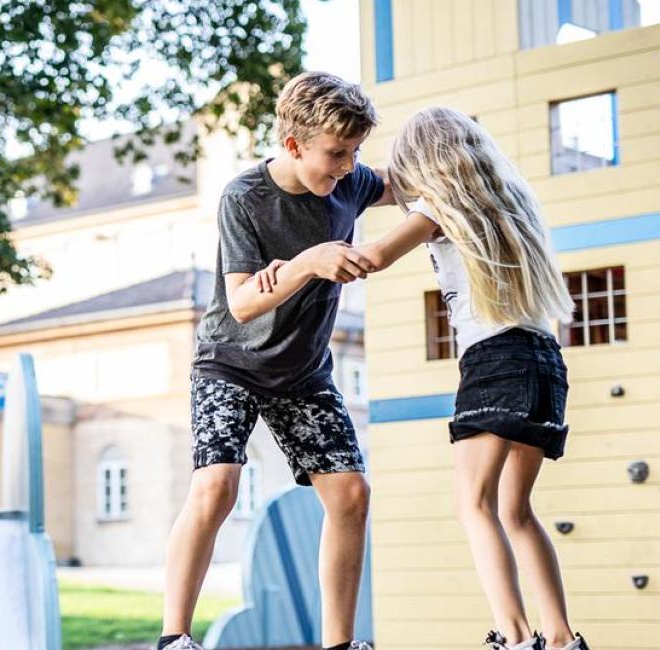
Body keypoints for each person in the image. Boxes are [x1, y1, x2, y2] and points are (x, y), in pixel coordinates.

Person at [157, 70, 393, 650]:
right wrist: (307, 262)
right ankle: (174, 637)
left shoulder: (350, 183)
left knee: (352, 496)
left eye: (355, 153)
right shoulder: (246, 198)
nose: (347, 167)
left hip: (303, 372)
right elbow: (240, 302)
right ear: (293, 145)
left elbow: (412, 189)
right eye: (336, 154)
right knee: (218, 485)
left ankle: (338, 643)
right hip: (230, 362)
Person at [353, 106, 589, 650]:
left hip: (494, 361)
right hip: (545, 363)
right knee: (516, 510)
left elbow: (375, 256)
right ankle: (559, 638)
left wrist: (313, 257)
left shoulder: (437, 207)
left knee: (473, 504)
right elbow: (386, 189)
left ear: (425, 163)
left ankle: (512, 636)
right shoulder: (510, 202)